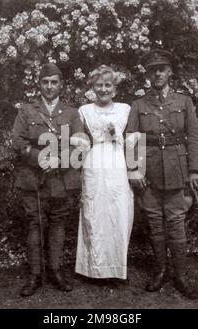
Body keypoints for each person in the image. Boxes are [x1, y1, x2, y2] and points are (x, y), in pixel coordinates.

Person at [127, 49, 198, 299]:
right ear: (148, 75)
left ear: (170, 72)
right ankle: (160, 271)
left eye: (162, 68)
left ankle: (180, 275)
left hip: (177, 168)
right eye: (153, 69)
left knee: (176, 222)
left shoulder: (184, 102)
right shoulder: (138, 104)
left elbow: (193, 137)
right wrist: (134, 170)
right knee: (155, 223)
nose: (157, 73)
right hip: (149, 172)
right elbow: (132, 140)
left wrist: (194, 170)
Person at [12, 63, 81, 297]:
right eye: (45, 82)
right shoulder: (27, 110)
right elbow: (18, 142)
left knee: (58, 223)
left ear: (61, 85)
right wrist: (39, 158)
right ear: (39, 84)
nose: (49, 86)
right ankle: (34, 274)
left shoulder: (71, 113)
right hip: (33, 177)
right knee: (35, 222)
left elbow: (79, 145)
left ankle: (55, 270)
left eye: (54, 82)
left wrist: (58, 161)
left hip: (61, 179)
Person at [74, 65, 134, 281]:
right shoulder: (84, 111)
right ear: (92, 87)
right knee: (95, 211)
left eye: (108, 84)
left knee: (118, 210)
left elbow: (133, 139)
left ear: (115, 88)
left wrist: (118, 136)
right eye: (99, 85)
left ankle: (116, 267)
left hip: (118, 161)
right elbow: (79, 138)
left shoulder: (125, 109)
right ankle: (94, 268)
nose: (103, 89)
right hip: (95, 161)